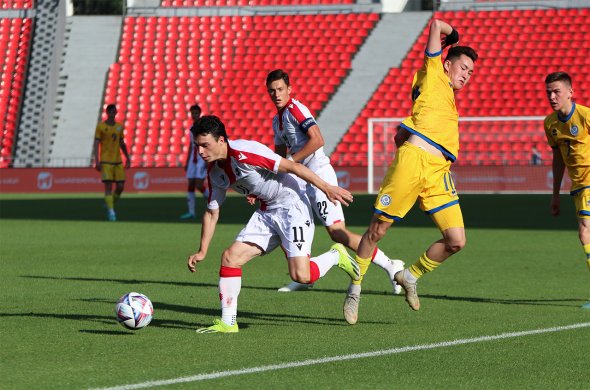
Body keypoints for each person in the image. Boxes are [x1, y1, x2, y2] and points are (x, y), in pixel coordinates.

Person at [186, 115, 361, 333]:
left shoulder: (245, 153)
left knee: (302, 276)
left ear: (221, 140)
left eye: (205, 145)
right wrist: (202, 251)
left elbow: (293, 167)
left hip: (292, 206)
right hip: (267, 212)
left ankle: (336, 256)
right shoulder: (215, 172)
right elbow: (212, 212)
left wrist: (327, 188)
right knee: (230, 258)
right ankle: (228, 322)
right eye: (197, 146)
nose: (200, 151)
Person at [351, 19, 477, 317]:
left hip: (439, 171)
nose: (466, 76)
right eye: (463, 68)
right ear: (447, 65)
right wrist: (452, 35)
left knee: (457, 241)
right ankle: (355, 289)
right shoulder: (433, 73)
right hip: (413, 163)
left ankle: (409, 276)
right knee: (376, 231)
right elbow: (435, 25)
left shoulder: (447, 97)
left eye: (471, 72)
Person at [265, 69, 404, 319]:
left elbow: (317, 140)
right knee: (292, 223)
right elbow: (278, 157)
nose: (276, 94)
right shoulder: (277, 120)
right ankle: (304, 274)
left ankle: (391, 266)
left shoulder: (296, 109)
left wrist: (291, 162)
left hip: (318, 174)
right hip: (301, 179)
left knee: (337, 233)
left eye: (280, 89)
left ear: (289, 89)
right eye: (272, 90)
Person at [543, 71, 590, 309]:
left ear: (570, 92)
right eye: (549, 92)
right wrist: (555, 195)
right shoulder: (550, 124)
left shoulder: (585, 116)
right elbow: (558, 160)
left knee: (585, 233)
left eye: (557, 91)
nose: (552, 96)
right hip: (578, 186)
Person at [93, 104, 130, 221]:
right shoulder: (101, 127)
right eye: (111, 111)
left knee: (120, 186)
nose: (112, 113)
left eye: (114, 111)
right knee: (108, 187)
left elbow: (122, 143)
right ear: (107, 113)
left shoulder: (119, 127)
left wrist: (127, 157)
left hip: (117, 161)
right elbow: (96, 144)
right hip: (106, 161)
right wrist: (97, 160)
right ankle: (111, 212)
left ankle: (110, 204)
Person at [180, 104, 209, 219]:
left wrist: (207, 158)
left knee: (199, 184)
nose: (194, 115)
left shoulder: (203, 128)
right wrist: (187, 162)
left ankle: (214, 203)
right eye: (192, 113)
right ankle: (191, 212)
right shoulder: (191, 127)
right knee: (191, 184)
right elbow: (191, 146)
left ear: (199, 113)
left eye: (196, 113)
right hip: (193, 159)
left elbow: (206, 143)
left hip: (201, 158)